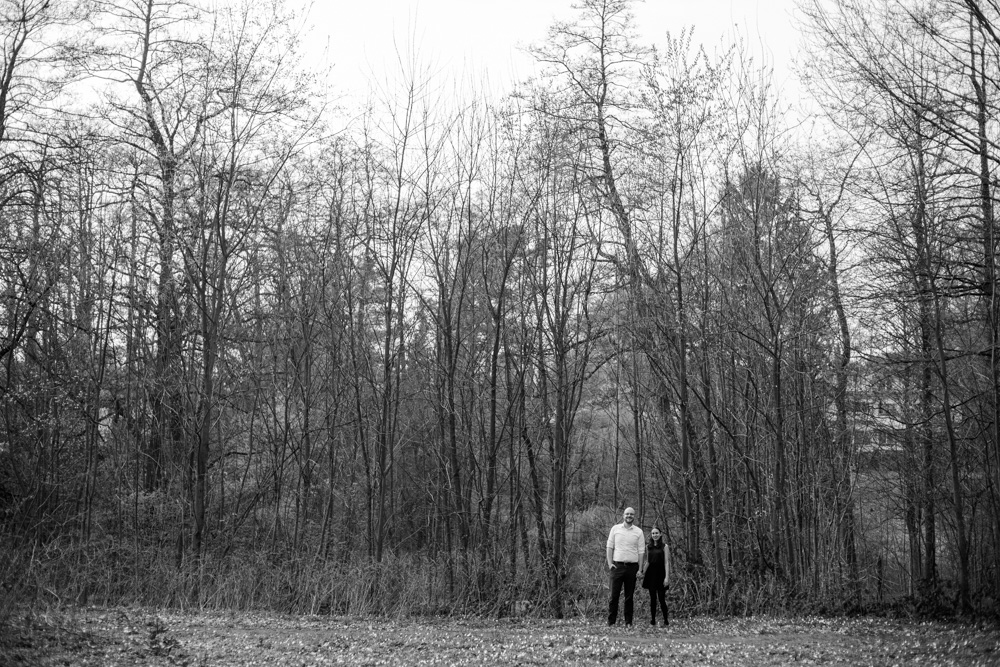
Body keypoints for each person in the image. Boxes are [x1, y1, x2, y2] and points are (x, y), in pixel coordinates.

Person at [605, 506, 645, 626]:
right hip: (617, 567)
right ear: (623, 515)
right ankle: (611, 622)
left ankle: (628, 622)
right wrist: (610, 563)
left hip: (632, 568)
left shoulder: (639, 532)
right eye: (627, 514)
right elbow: (609, 547)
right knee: (614, 596)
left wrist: (640, 569)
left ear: (634, 516)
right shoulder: (615, 529)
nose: (629, 516)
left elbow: (641, 552)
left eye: (631, 514)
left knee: (629, 597)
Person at [640, 526, 670, 626]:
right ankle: (652, 620)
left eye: (656, 533)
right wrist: (642, 572)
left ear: (660, 534)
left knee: (661, 598)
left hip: (661, 574)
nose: (655, 535)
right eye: (653, 533)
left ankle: (666, 620)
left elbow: (666, 562)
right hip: (651, 575)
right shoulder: (648, 546)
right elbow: (648, 562)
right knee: (652, 599)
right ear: (651, 535)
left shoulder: (664, 546)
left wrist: (667, 577)